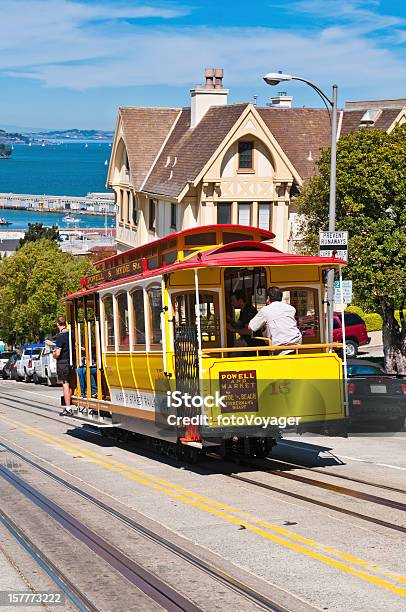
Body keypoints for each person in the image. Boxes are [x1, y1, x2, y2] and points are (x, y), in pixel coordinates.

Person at [248, 286, 302, 354]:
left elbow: (251, 327)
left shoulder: (265, 310)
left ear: (268, 298)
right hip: (296, 346)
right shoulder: (291, 308)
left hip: (279, 348)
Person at [51, 316, 74, 416]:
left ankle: (68, 408)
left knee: (65, 384)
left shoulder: (60, 337)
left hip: (62, 363)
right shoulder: (71, 334)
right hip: (71, 361)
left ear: (57, 324)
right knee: (71, 383)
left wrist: (54, 354)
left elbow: (58, 353)